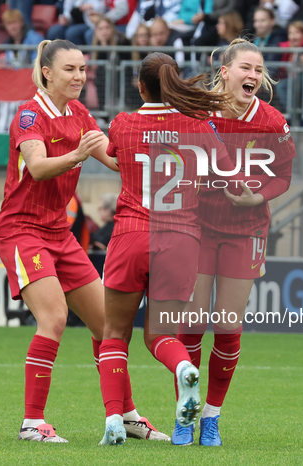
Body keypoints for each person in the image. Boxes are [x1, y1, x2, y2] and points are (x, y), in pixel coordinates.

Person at [0, 39, 167, 443]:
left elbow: (112, 158)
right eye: (70, 69)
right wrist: (76, 154)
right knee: (53, 319)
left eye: (83, 69)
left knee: (108, 326)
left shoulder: (80, 112)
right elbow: (36, 168)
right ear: (48, 73)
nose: (79, 76)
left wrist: (152, 161)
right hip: (22, 230)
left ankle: (126, 416)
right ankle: (32, 423)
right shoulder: (28, 116)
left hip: (59, 233)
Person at [96, 51, 242, 446]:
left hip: (131, 234)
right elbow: (227, 175)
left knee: (114, 335)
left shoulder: (122, 124)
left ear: (140, 86)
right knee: (160, 335)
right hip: (180, 240)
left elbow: (116, 159)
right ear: (175, 82)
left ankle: (113, 420)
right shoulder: (198, 124)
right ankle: (182, 368)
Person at [176, 38, 296, 446]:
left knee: (228, 326)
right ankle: (185, 412)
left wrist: (257, 195)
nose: (254, 76)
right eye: (246, 68)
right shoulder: (197, 112)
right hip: (198, 226)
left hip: (245, 230)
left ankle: (211, 416)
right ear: (225, 71)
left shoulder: (272, 122)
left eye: (259, 70)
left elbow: (283, 175)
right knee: (191, 323)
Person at [91, 14, 130, 110]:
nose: (104, 32)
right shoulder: (97, 45)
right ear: (96, 31)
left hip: (122, 80)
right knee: (100, 77)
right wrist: (104, 45)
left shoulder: (122, 41)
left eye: (107, 28)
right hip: (105, 83)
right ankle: (103, 113)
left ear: (112, 29)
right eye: (101, 29)